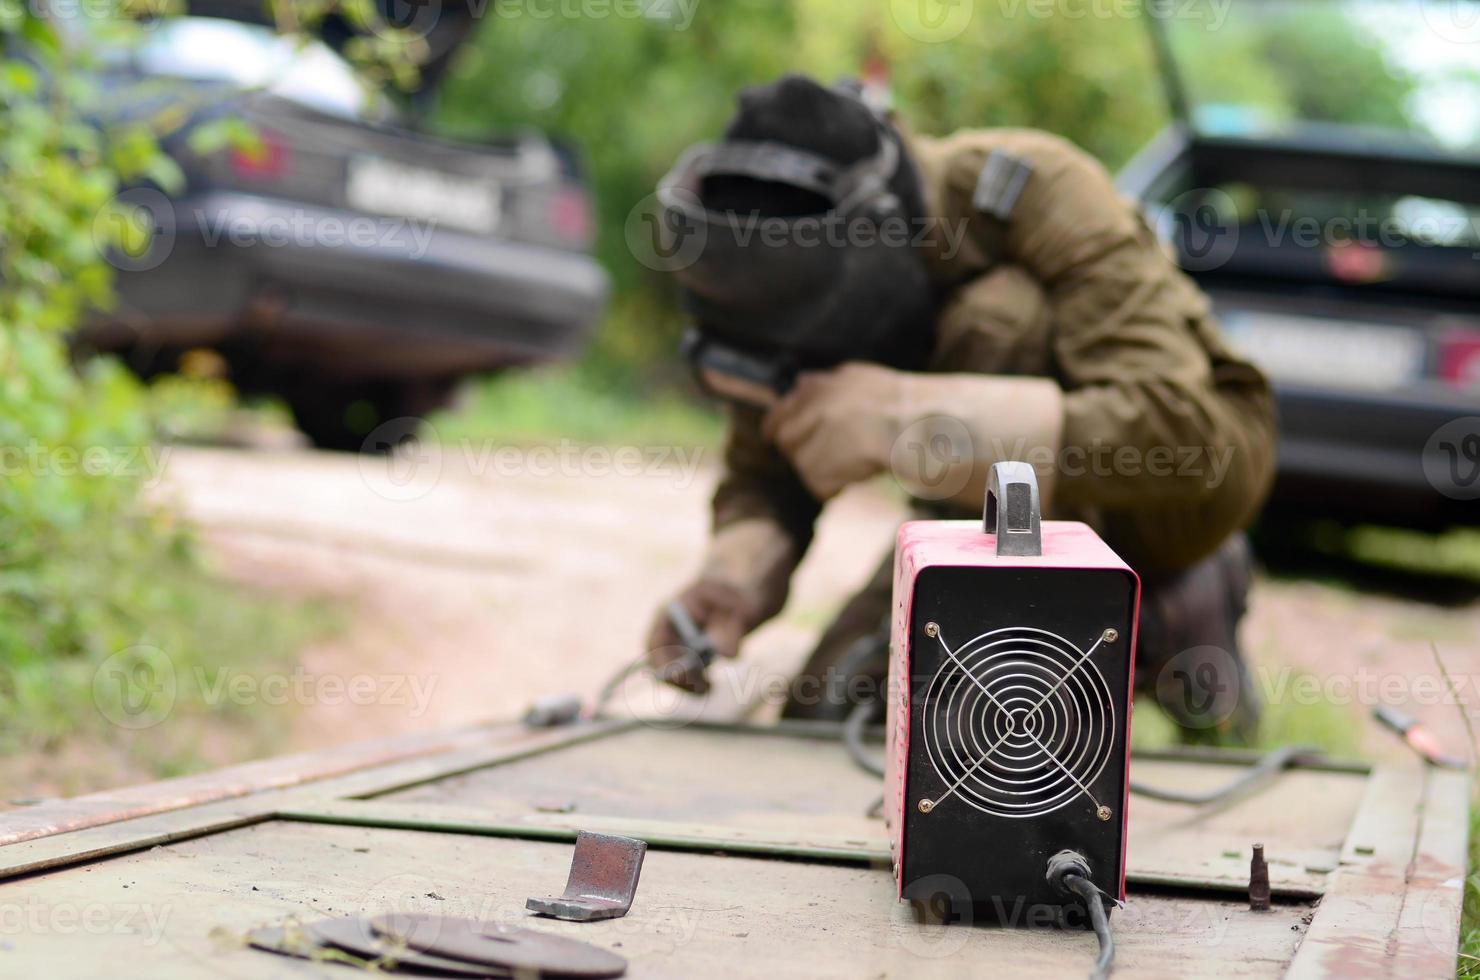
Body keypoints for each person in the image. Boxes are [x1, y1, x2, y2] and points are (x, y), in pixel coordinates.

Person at [643, 74, 1275, 739]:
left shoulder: (1028, 187)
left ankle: (1172, 602)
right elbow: (769, 461)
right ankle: (998, 620)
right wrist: (735, 577)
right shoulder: (773, 266)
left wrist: (902, 419)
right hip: (974, 526)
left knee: (997, 319)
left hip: (1179, 497)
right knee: (829, 723)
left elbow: (1191, 442)